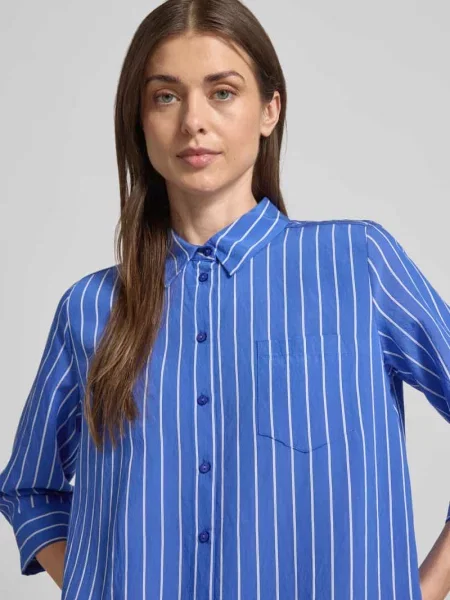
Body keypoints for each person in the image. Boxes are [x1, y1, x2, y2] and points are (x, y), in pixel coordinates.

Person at [1, 0, 449, 598]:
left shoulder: (358, 263)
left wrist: (424, 589)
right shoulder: (91, 308)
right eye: (166, 96)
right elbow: (29, 489)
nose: (194, 121)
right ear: (139, 120)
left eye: (222, 92)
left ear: (269, 109)